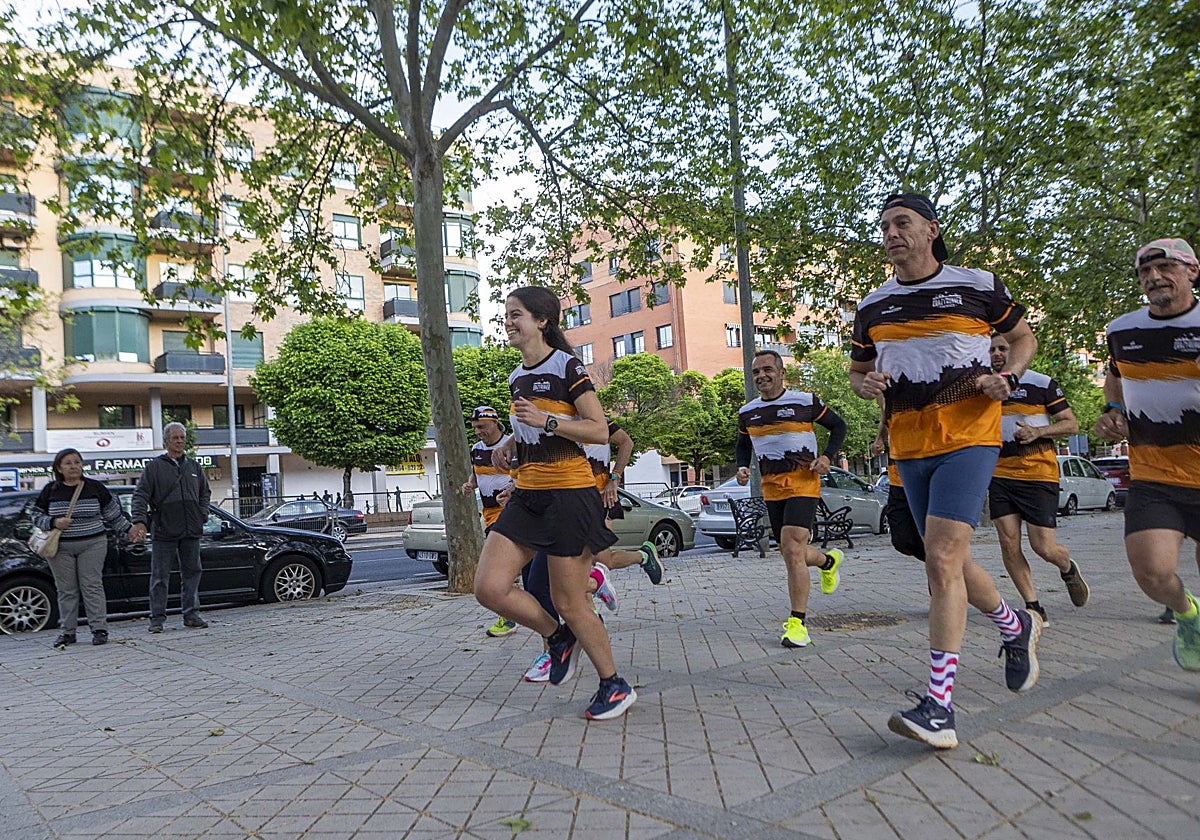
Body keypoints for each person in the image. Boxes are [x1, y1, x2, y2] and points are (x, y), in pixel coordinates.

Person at [849, 192, 1043, 750]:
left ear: (931, 229)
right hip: (910, 446)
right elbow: (860, 370)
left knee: (939, 559)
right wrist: (867, 386)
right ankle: (1014, 625)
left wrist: (1009, 377)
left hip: (971, 437)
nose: (890, 233)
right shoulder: (874, 305)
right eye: (883, 225)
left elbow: (1022, 337)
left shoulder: (977, 285)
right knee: (950, 557)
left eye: (901, 223)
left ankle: (939, 707)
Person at [474, 286, 635, 720]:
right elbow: (530, 429)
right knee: (488, 588)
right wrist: (508, 443)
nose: (508, 321)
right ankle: (558, 639)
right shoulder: (515, 377)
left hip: (569, 495)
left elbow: (599, 430)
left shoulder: (566, 366)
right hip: (527, 495)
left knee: (570, 601)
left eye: (516, 314)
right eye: (506, 315)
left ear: (542, 321)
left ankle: (614, 685)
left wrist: (547, 420)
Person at [1095, 237, 1200, 671]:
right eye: (1145, 272)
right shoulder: (1123, 330)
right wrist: (1112, 410)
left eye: (1165, 268)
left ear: (1192, 271)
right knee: (1152, 574)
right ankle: (1189, 614)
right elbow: (1116, 377)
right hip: (1154, 474)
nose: (1154, 278)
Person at [735, 349, 848, 649]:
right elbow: (742, 443)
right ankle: (827, 561)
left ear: (782, 373)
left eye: (768, 369)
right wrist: (742, 467)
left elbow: (839, 426)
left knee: (792, 546)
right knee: (791, 552)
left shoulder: (805, 402)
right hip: (771, 489)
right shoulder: (748, 412)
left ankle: (797, 624)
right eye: (756, 371)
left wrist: (827, 456)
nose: (762, 376)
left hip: (803, 484)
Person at [988, 334, 1089, 624]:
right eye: (991, 349)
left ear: (1016, 350)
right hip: (999, 474)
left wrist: (1037, 432)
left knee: (1042, 547)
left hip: (1038, 473)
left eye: (1002, 348)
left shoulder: (1042, 383)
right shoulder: (983, 387)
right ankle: (1033, 606)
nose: (996, 353)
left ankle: (1067, 568)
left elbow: (1071, 423)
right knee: (1008, 544)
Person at [33, 448, 131, 648]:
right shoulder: (50, 490)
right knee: (66, 590)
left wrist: (130, 530)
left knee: (92, 585)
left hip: (93, 543)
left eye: (77, 462)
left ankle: (99, 629)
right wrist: (53, 522)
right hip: (60, 547)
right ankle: (68, 632)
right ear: (59, 468)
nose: (73, 466)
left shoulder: (95, 487)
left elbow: (113, 514)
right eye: (68, 463)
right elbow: (35, 516)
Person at [129, 422, 212, 633]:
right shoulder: (154, 467)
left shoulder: (194, 467)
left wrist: (202, 514)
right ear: (166, 441)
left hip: (190, 529)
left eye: (182, 438)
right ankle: (156, 619)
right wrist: (139, 520)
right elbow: (140, 495)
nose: (179, 441)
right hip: (164, 530)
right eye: (175, 438)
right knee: (159, 576)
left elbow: (205, 493)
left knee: (192, 572)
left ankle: (191, 614)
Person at [461, 405, 522, 639]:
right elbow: (477, 476)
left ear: (496, 423)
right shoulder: (476, 449)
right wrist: (469, 485)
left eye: (482, 426)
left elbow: (522, 475)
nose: (478, 431)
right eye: (475, 427)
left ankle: (509, 616)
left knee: (501, 567)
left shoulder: (511, 444)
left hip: (509, 512)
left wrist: (511, 490)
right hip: (488, 513)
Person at [583, 420, 664, 594]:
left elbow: (627, 442)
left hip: (602, 500)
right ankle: (589, 615)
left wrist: (615, 477)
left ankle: (643, 555)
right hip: (574, 501)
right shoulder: (561, 420)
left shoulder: (599, 420)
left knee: (602, 563)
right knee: (582, 565)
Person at [870, 398, 925, 563]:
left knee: (933, 539)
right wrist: (879, 439)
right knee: (901, 540)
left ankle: (942, 572)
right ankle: (939, 563)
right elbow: (885, 416)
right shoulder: (883, 388)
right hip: (896, 476)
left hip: (922, 472)